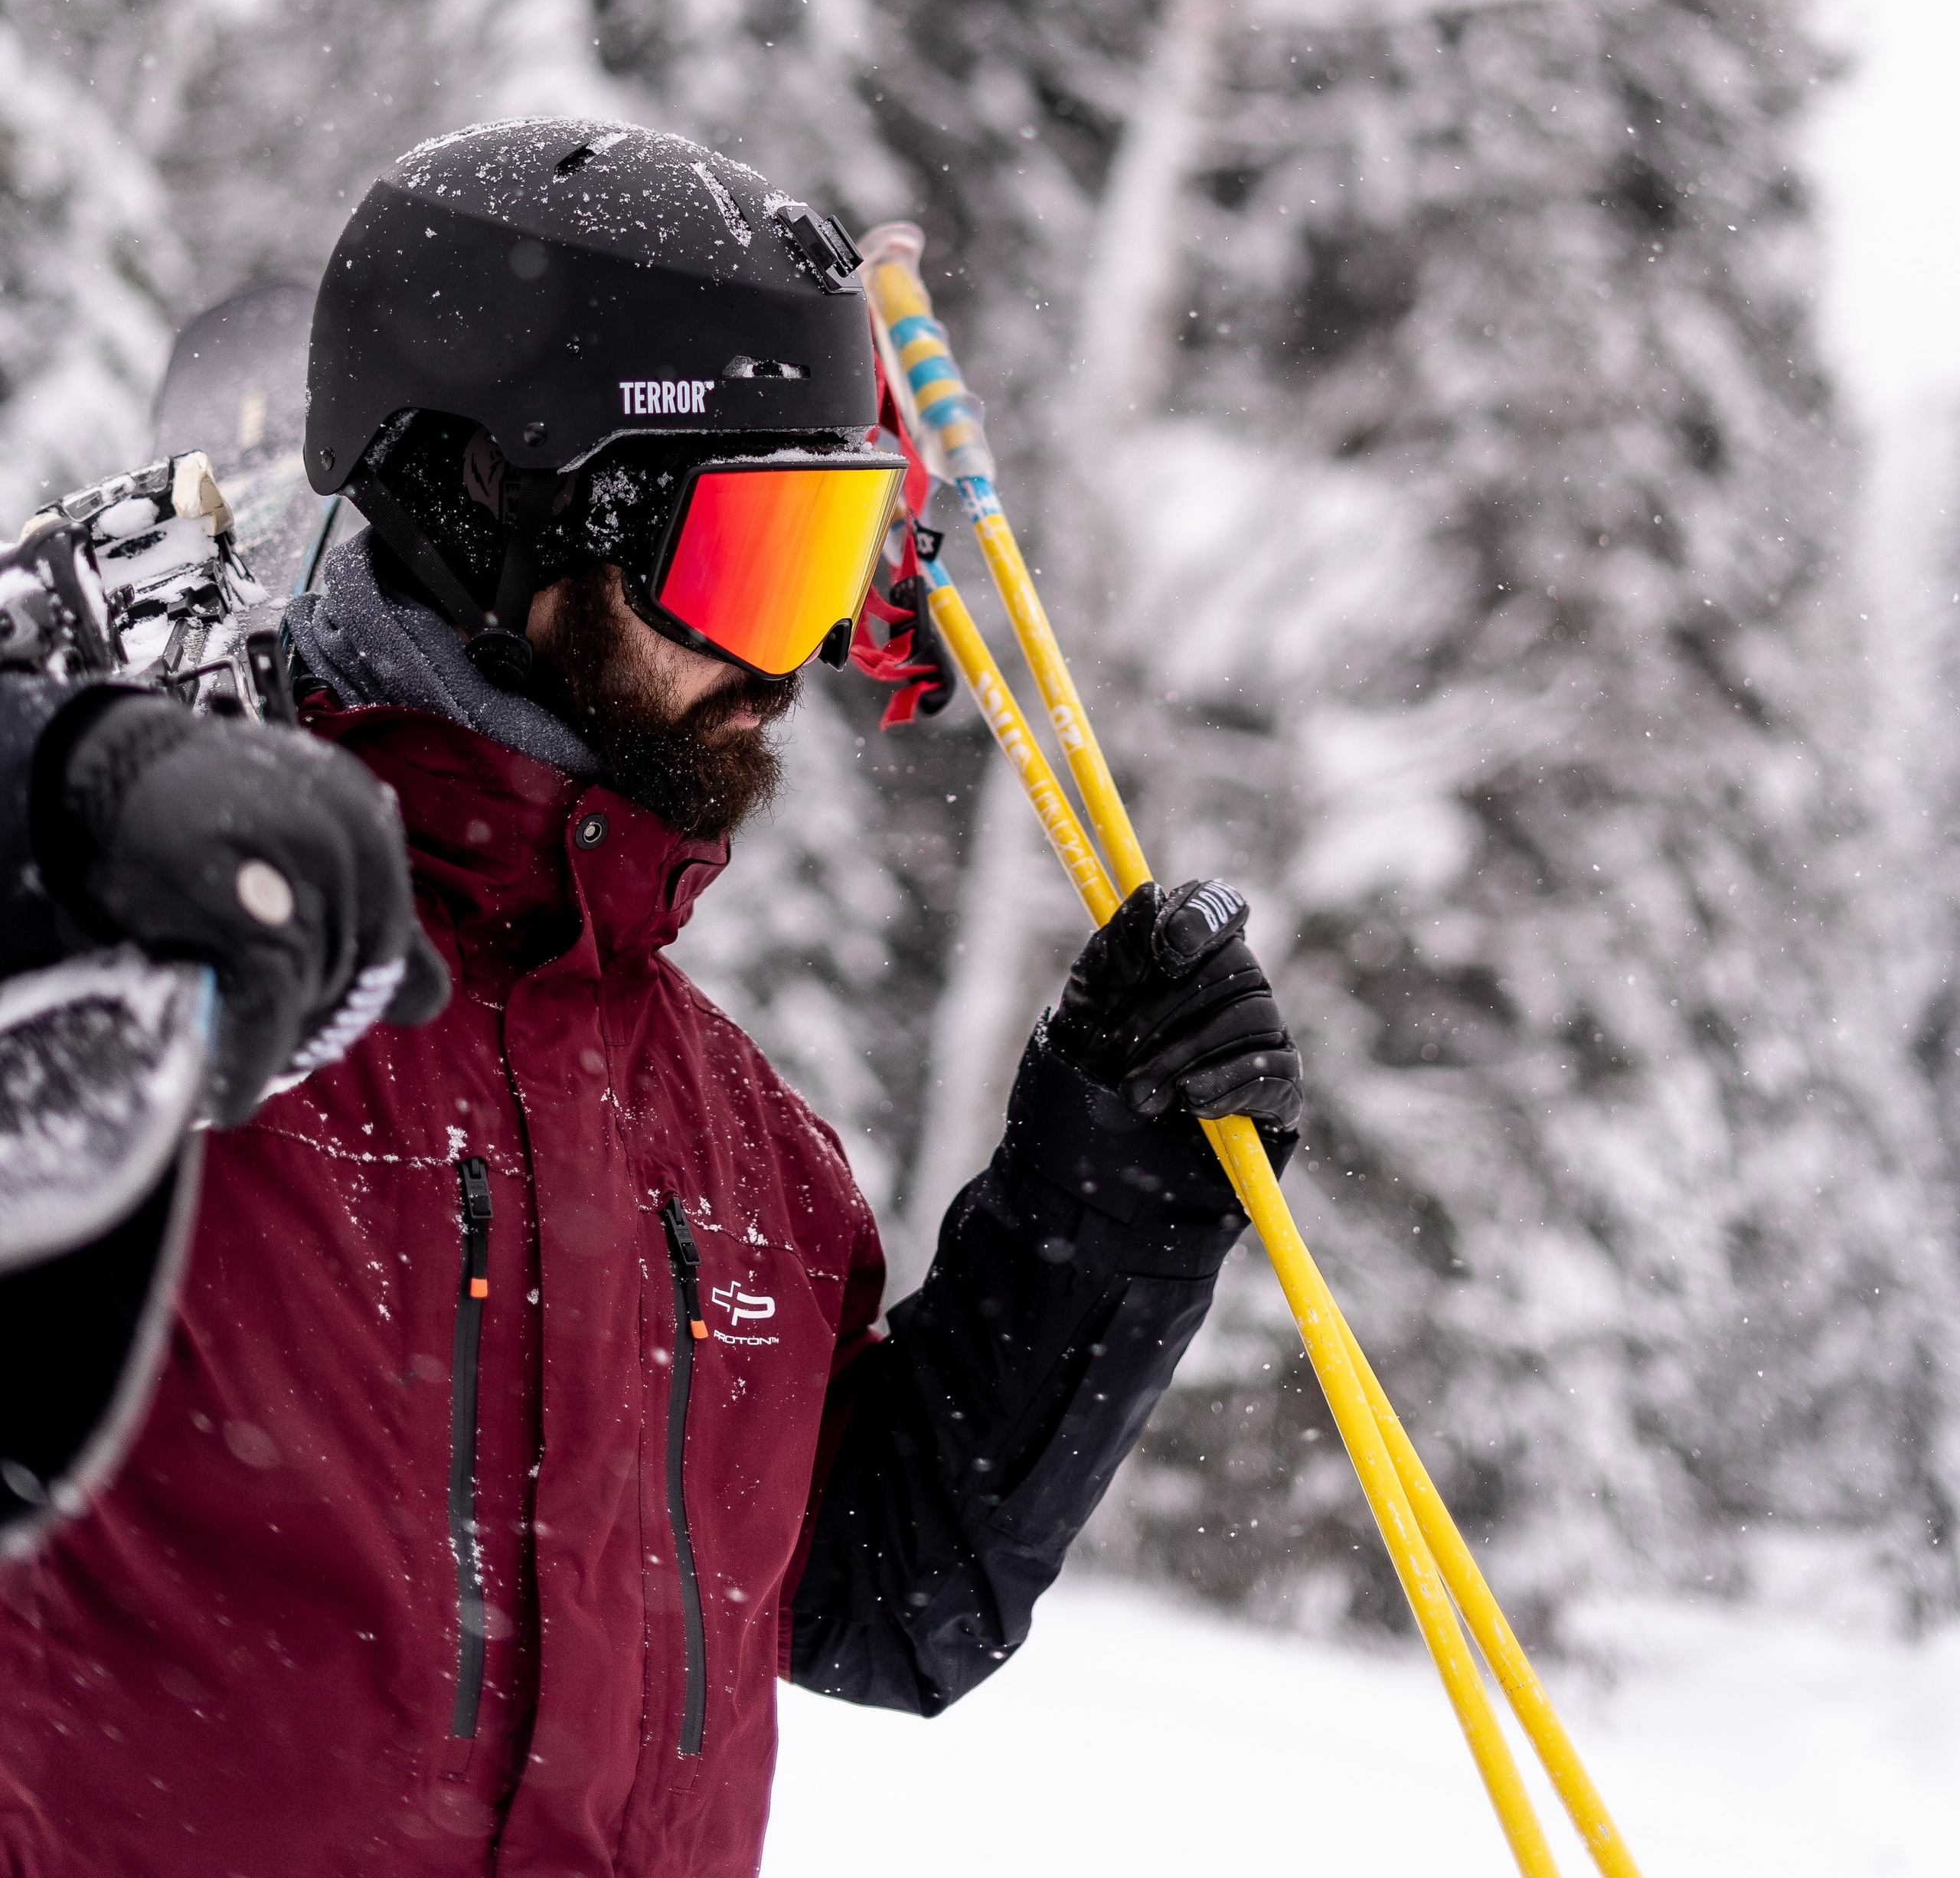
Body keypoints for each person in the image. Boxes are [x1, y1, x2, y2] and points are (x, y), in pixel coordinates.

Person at [0, 121, 1301, 1878]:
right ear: (487, 501)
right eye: (746, 562)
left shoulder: (734, 1143)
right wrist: (63, 789)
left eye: (832, 563)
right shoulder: (161, 979)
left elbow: (880, 1598)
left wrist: (1110, 1196)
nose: (794, 664)